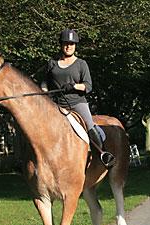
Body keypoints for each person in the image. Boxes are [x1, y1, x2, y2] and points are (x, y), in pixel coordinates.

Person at [42, 29, 115, 168]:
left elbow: (88, 86)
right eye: (65, 43)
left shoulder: (81, 64)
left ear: (75, 45)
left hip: (76, 103)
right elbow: (44, 82)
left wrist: (74, 86)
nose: (68, 46)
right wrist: (45, 93)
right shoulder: (51, 63)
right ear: (61, 45)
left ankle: (102, 154)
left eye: (71, 43)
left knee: (89, 125)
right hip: (57, 104)